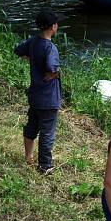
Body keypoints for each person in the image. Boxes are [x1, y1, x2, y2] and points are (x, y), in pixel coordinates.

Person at [13, 10, 65, 174]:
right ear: (53, 27)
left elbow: (18, 50)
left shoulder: (34, 42)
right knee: (47, 133)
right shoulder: (50, 47)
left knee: (32, 127)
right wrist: (57, 72)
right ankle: (45, 165)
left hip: (35, 95)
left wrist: (32, 59)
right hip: (49, 99)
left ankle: (28, 157)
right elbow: (51, 67)